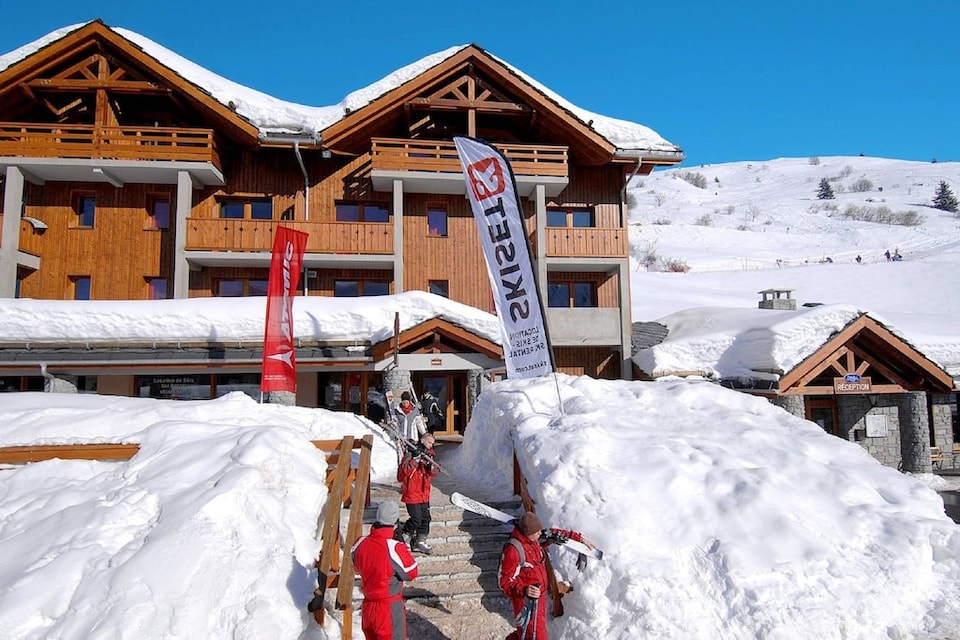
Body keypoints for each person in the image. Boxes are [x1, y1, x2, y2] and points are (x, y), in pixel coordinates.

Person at [351, 499, 418, 640]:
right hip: (388, 607)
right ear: (395, 521)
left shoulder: (360, 543)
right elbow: (411, 572)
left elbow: (356, 567)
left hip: (368, 606)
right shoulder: (393, 547)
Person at [397, 432, 438, 555]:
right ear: (422, 440)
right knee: (416, 519)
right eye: (429, 442)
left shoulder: (430, 455)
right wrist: (415, 459)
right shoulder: (410, 454)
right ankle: (403, 534)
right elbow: (402, 474)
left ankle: (420, 541)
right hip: (412, 492)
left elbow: (434, 472)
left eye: (432, 444)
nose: (430, 445)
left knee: (426, 518)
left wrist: (431, 468)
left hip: (424, 492)